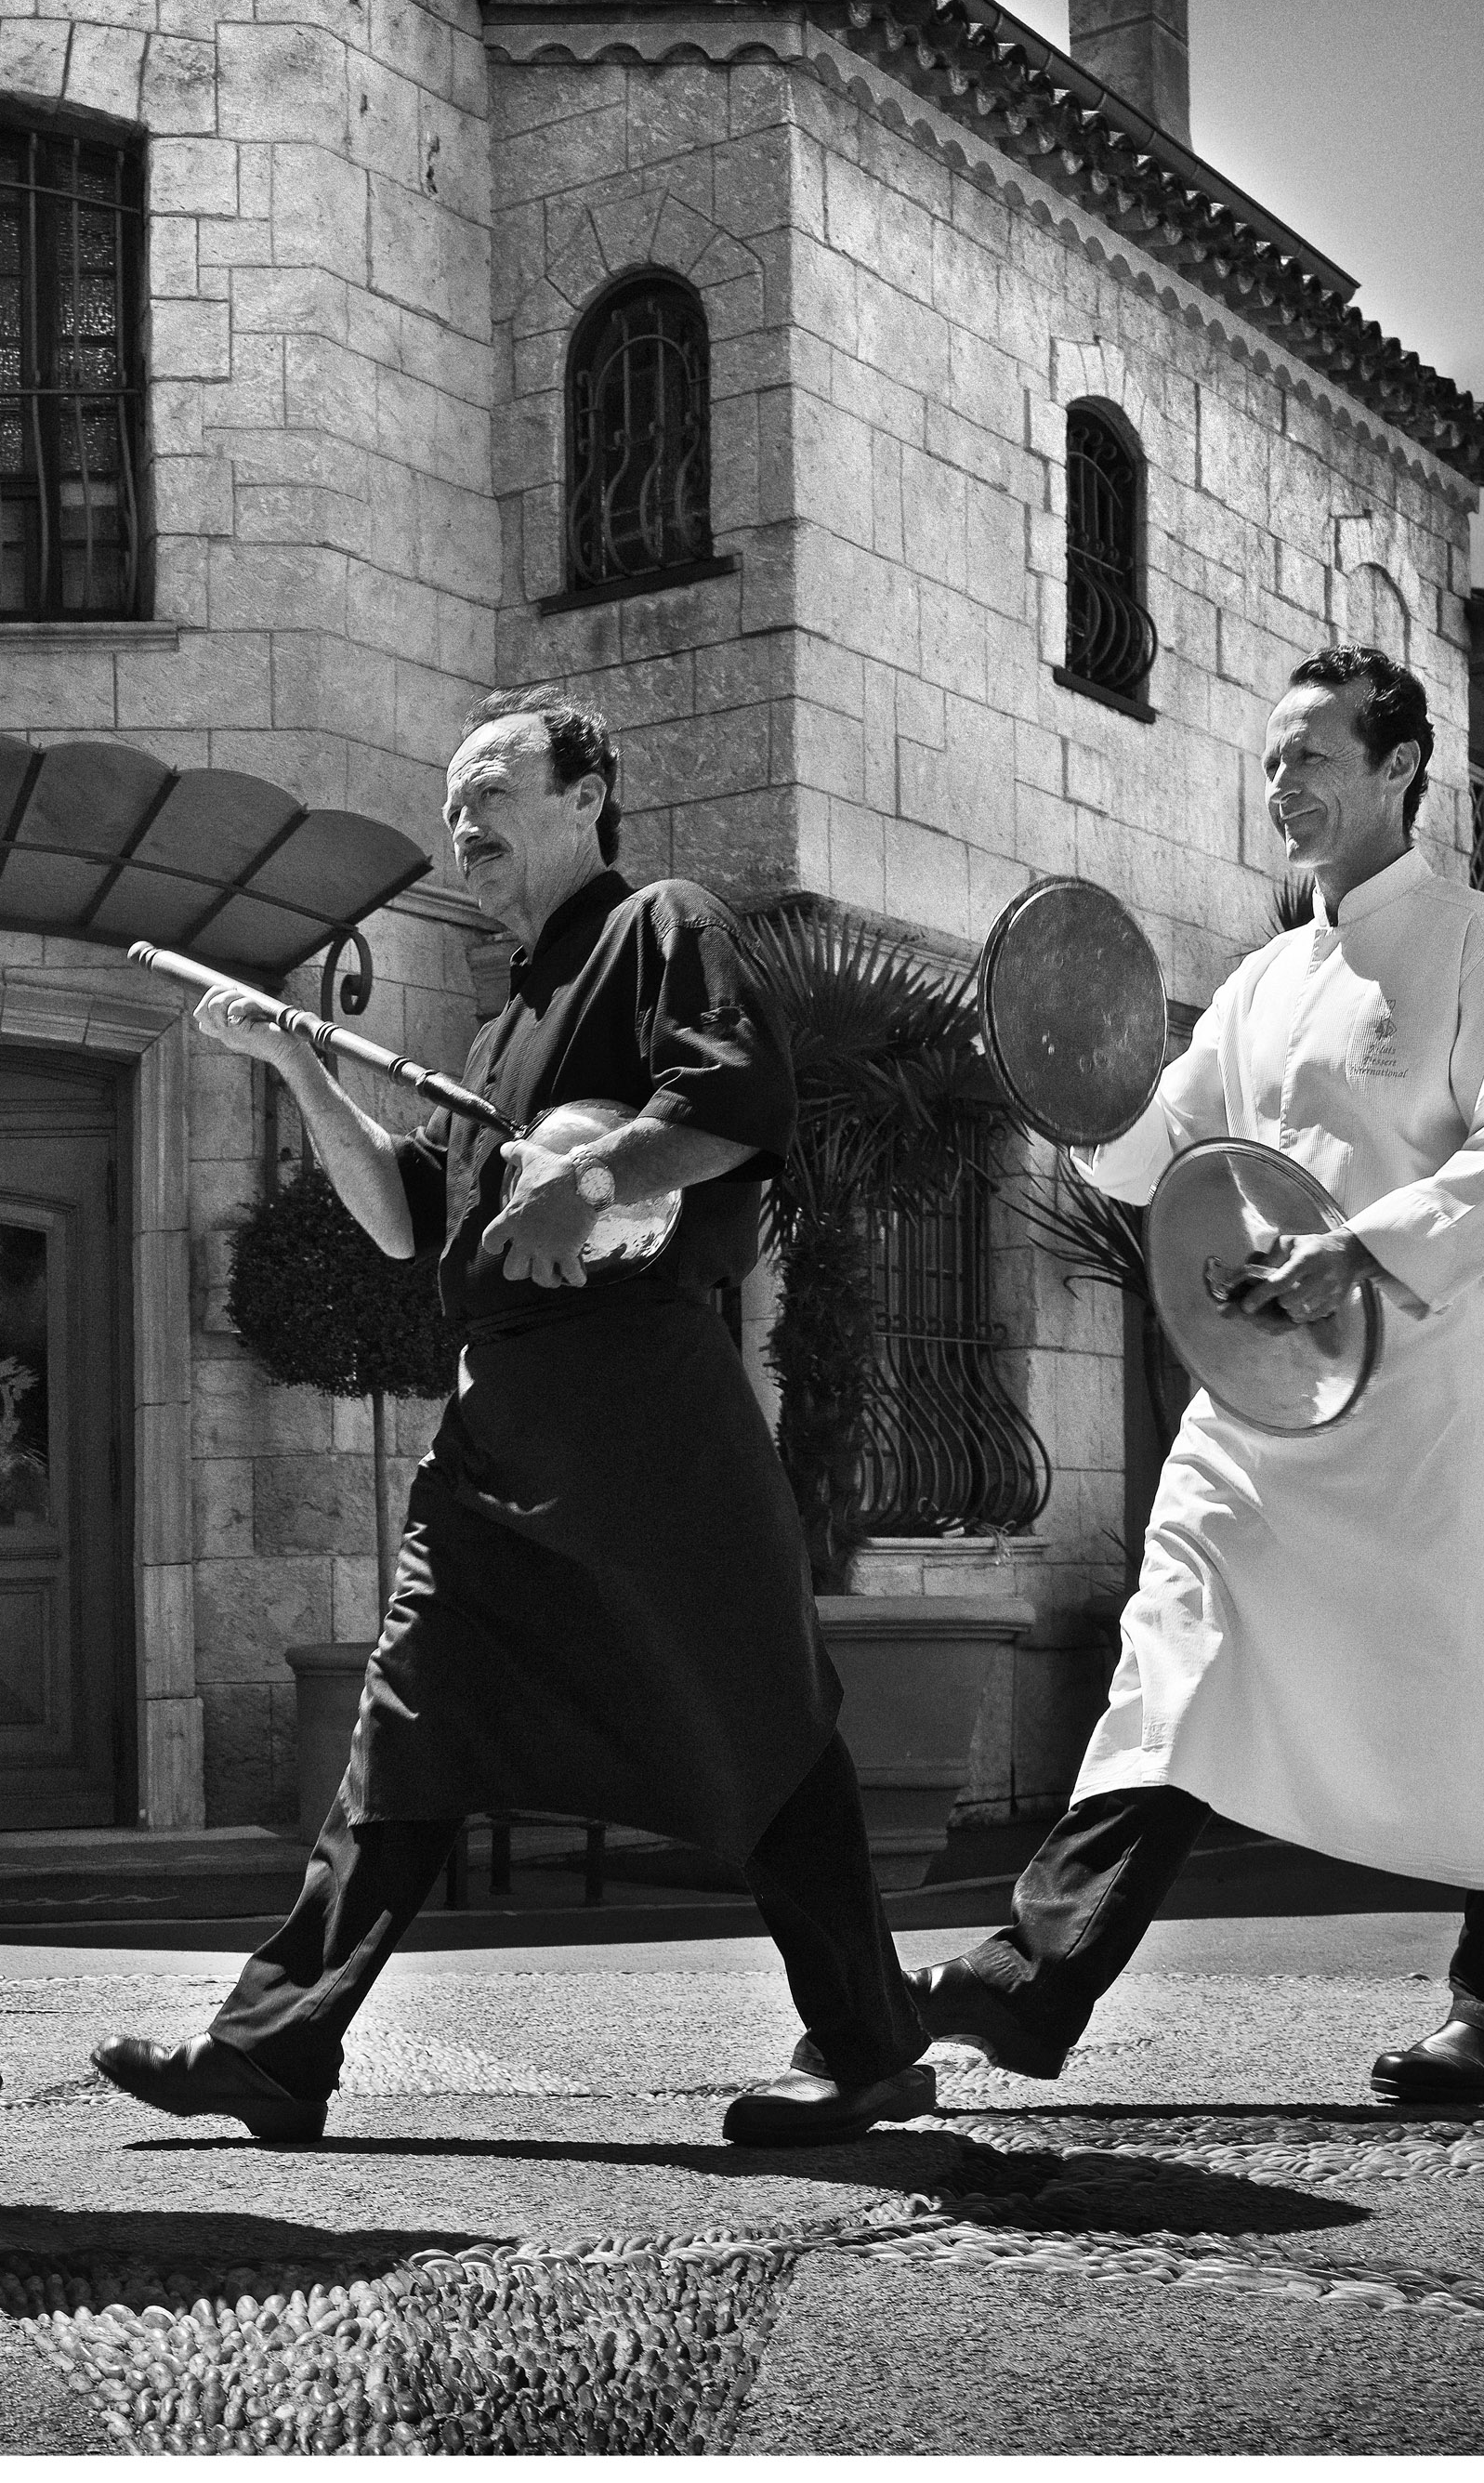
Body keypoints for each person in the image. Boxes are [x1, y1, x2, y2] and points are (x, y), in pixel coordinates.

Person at [97, 689, 935, 2148]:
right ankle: (274, 2043)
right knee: (404, 1719)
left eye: (489, 788)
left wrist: (592, 1174)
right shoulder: (498, 1028)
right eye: (447, 800)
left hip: (642, 1411)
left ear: (584, 793)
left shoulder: (658, 923)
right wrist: (293, 1062)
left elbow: (734, 1105)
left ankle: (865, 2043)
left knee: (759, 1713)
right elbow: (407, 1219)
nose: (459, 822)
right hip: (498, 1432)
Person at [913, 650, 1484, 2102]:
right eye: (1269, 760)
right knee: (1174, 1649)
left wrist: (1358, 1248)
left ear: (1400, 766)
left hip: (1422, 1401)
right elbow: (1143, 1150)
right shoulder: (1259, 980)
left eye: (1307, 757)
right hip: (1255, 1403)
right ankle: (1032, 1982)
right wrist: (1059, 1064)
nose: (1277, 785)